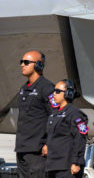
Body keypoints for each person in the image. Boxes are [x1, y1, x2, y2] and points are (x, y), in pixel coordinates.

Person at [15, 50, 55, 178]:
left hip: (38, 151)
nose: (22, 65)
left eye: (26, 62)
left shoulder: (47, 88)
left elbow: (56, 116)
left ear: (39, 65)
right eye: (21, 62)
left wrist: (49, 143)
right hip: (22, 148)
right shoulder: (23, 88)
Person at [45, 79, 88, 178]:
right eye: (54, 90)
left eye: (58, 91)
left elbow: (80, 139)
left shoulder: (75, 114)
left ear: (68, 93)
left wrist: (76, 162)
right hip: (52, 166)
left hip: (67, 167)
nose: (54, 94)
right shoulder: (54, 114)